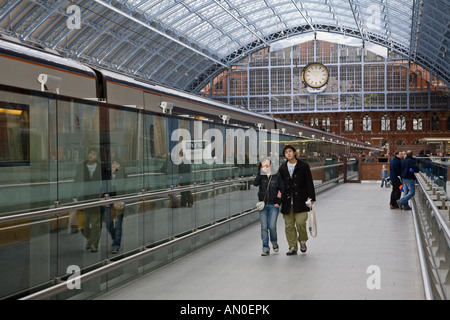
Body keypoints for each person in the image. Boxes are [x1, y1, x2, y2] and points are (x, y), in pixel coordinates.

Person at [278, 145, 316, 256]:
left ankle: (302, 241)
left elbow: (309, 181)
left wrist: (312, 197)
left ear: (294, 152)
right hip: (287, 201)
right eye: (286, 152)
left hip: (301, 200)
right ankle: (292, 247)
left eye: (290, 151)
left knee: (300, 223)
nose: (288, 154)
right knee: (289, 226)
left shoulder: (303, 166)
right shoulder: (283, 167)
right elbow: (280, 183)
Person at [73, 148, 104, 253]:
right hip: (84, 198)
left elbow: (105, 181)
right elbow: (76, 180)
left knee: (95, 223)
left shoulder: (100, 168)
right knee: (84, 224)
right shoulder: (81, 167)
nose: (91, 155)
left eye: (94, 154)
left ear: (97, 156)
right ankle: (91, 239)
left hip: (96, 198)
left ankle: (94, 244)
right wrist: (74, 196)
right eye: (90, 153)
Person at [253, 157, 284, 256]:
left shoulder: (276, 175)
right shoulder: (261, 175)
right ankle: (265, 248)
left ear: (270, 164)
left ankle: (274, 242)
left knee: (271, 226)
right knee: (264, 227)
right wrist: (260, 172)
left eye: (267, 163)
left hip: (273, 205)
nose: (265, 164)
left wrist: (278, 202)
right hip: (263, 205)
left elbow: (282, 189)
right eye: (263, 163)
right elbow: (255, 183)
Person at [103, 158, 127, 254]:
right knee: (108, 224)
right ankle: (115, 238)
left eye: (117, 163)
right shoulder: (107, 174)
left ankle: (116, 245)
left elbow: (121, 187)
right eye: (113, 163)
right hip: (109, 202)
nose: (114, 165)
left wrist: (115, 174)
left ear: (120, 166)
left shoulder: (122, 175)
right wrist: (111, 174)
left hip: (118, 202)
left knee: (118, 225)